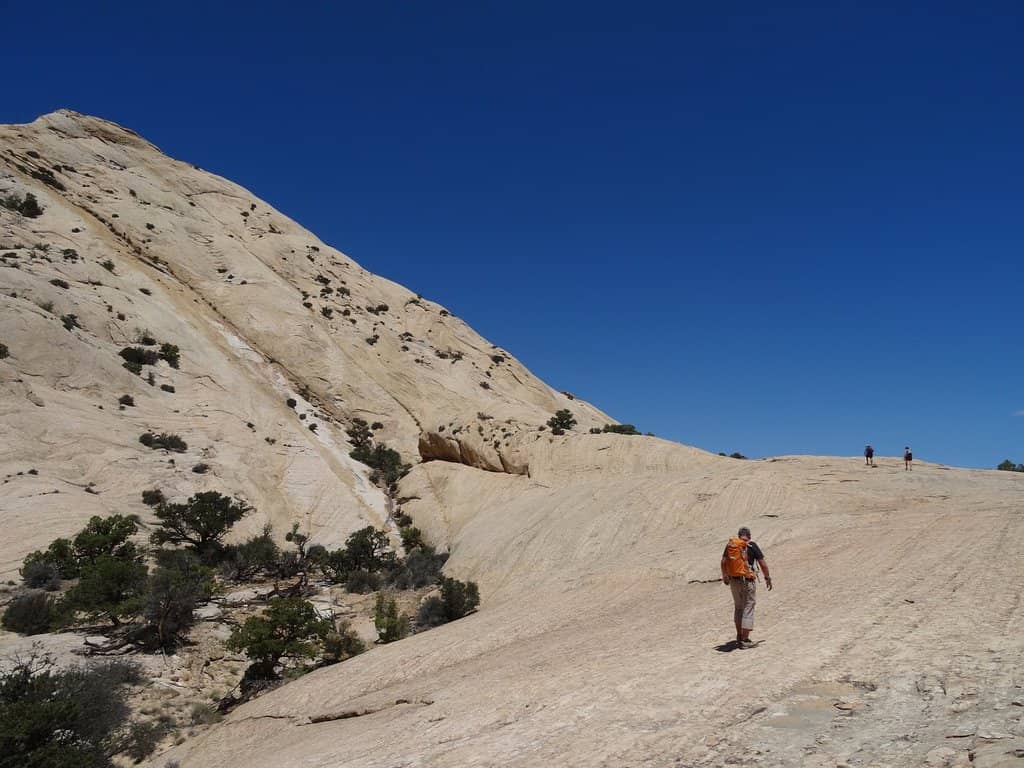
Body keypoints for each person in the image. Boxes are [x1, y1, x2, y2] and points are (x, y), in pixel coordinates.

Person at [721, 526, 772, 648]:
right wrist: (767, 577)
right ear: (749, 536)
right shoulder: (751, 545)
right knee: (748, 607)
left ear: (739, 536)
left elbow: (723, 561)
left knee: (738, 608)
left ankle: (739, 636)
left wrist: (725, 576)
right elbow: (762, 564)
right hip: (747, 580)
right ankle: (745, 639)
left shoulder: (731, 545)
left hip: (734, 581)